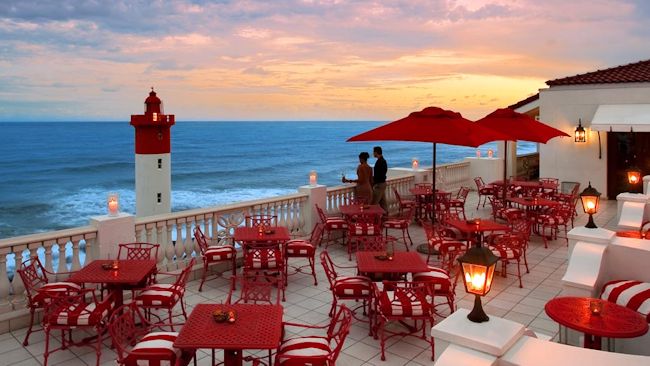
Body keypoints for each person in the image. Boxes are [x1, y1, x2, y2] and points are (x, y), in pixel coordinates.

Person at [372, 146, 388, 212]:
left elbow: (380, 174)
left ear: (376, 152)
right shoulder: (382, 161)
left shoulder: (380, 161)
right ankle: (386, 215)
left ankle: (373, 219)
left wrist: (374, 181)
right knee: (383, 202)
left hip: (380, 184)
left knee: (374, 203)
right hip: (382, 183)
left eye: (373, 152)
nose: (373, 154)